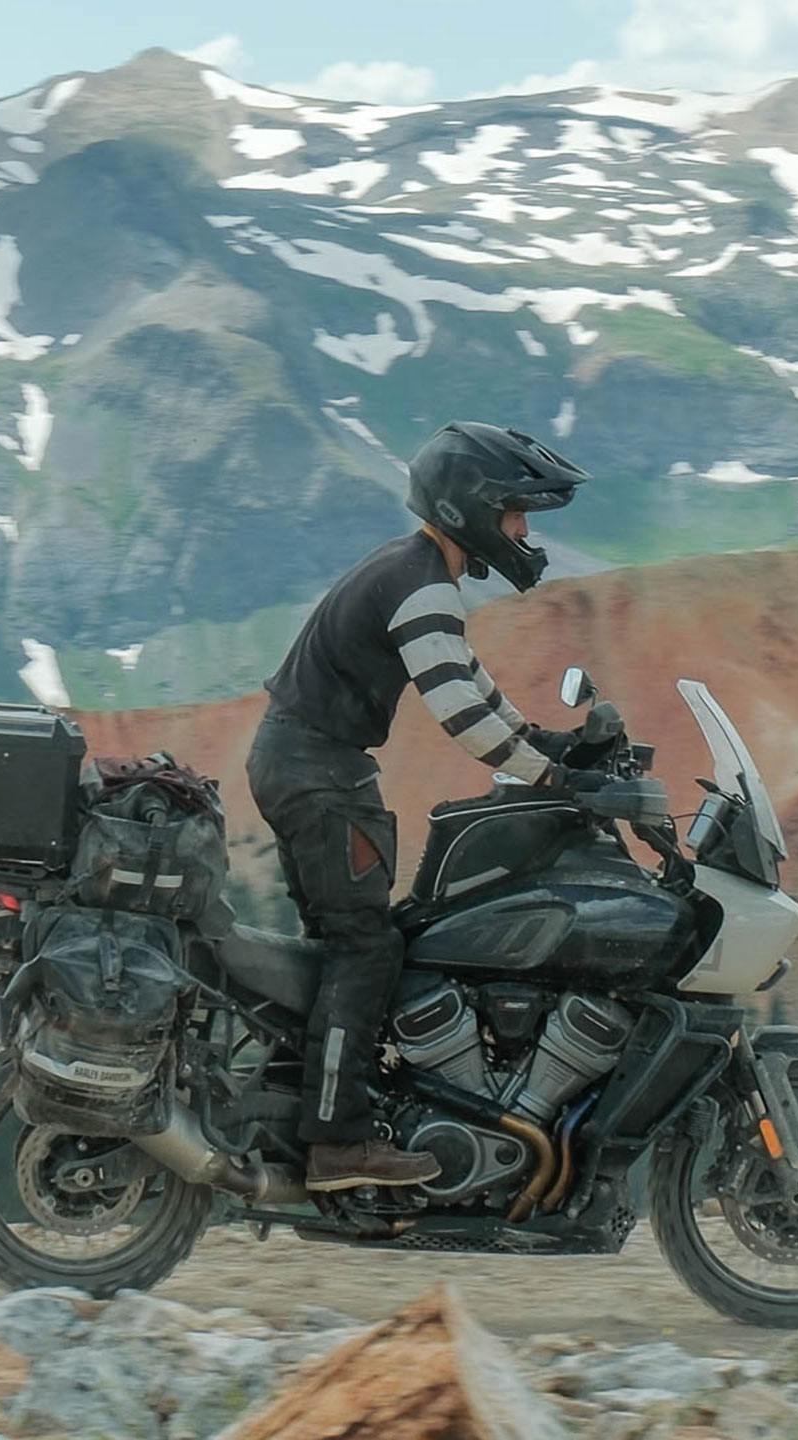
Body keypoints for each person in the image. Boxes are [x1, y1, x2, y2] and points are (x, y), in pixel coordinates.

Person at [245, 421, 594, 1192]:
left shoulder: (417, 574)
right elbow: (462, 717)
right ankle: (338, 1144)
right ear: (474, 506)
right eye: (516, 513)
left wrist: (552, 746)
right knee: (365, 947)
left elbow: (474, 685)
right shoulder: (421, 582)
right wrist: (549, 777)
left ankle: (296, 1109)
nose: (525, 532)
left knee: (347, 944)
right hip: (317, 771)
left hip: (304, 762)